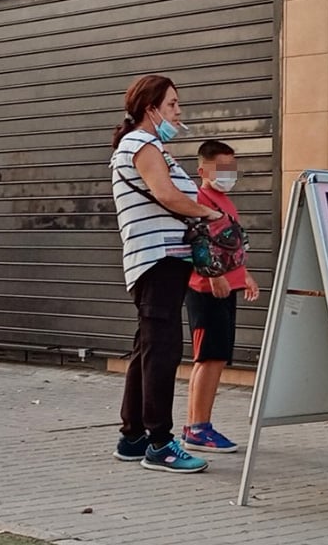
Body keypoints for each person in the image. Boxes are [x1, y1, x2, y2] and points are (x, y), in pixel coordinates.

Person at [109, 74, 221, 474]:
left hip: (162, 260)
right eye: (172, 105)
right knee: (163, 350)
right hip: (157, 260)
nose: (178, 112)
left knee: (147, 348)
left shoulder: (149, 146)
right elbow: (166, 195)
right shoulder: (142, 144)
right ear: (150, 108)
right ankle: (159, 442)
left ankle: (133, 435)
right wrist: (209, 212)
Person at [182, 140, 259, 454]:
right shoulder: (198, 199)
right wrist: (213, 278)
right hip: (206, 290)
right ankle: (199, 428)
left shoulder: (226, 202)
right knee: (209, 358)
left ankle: (195, 426)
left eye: (232, 167)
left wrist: (245, 276)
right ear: (203, 170)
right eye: (221, 168)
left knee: (215, 358)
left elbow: (231, 246)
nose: (228, 174)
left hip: (227, 287)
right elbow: (197, 243)